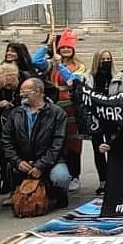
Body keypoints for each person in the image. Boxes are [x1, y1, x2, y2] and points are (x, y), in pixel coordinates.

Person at [0, 77, 72, 210]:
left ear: (38, 91)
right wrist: (17, 161)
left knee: (61, 177)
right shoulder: (15, 113)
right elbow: (6, 141)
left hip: (50, 160)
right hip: (23, 160)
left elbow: (58, 143)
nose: (21, 94)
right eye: (21, 91)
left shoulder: (57, 113)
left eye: (25, 90)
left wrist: (41, 165)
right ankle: (22, 192)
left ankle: (57, 196)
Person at [35, 30, 85, 193]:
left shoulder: (79, 66)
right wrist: (47, 45)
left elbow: (72, 80)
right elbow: (34, 61)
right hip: (53, 106)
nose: (65, 50)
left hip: (71, 107)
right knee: (56, 140)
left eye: (68, 48)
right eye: (62, 47)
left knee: (73, 143)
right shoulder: (50, 64)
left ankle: (74, 175)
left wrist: (61, 66)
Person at [0, 43, 30, 197]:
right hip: (0, 118)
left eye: (13, 51)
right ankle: (6, 179)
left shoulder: (26, 76)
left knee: (18, 148)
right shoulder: (0, 71)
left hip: (20, 119)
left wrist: (13, 103)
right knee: (3, 149)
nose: (9, 53)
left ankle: (17, 182)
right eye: (8, 51)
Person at [87, 49, 123, 196]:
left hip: (112, 117)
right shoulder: (89, 78)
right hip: (96, 117)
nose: (106, 62)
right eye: (103, 59)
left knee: (113, 147)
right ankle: (103, 180)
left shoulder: (118, 77)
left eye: (108, 59)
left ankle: (114, 179)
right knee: (98, 149)